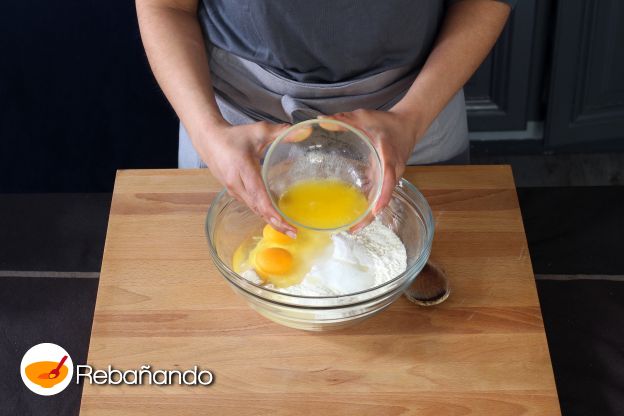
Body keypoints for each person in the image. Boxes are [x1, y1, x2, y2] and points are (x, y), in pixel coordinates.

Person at [136, 0, 513, 237]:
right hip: (235, 128)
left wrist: (411, 119)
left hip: (415, 111)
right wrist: (208, 133)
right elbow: (165, 7)